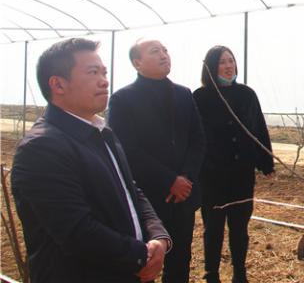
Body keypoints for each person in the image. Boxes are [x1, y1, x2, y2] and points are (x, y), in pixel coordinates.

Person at [11, 38, 170, 283]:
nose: (104, 80)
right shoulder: (41, 148)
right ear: (58, 84)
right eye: (93, 72)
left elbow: (131, 191)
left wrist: (158, 237)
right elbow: (76, 231)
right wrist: (140, 256)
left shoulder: (102, 132)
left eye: (104, 72)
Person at [108, 39, 205, 283]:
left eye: (165, 50)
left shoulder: (183, 94)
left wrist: (186, 178)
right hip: (147, 198)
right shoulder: (123, 99)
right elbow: (127, 150)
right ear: (137, 62)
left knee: (180, 262)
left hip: (183, 197)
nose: (164, 55)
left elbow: (198, 140)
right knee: (145, 263)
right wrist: (169, 180)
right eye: (155, 51)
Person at [193, 45, 274, 283]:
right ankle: (211, 274)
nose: (228, 66)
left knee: (240, 226)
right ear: (211, 67)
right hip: (213, 175)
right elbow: (195, 136)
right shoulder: (200, 97)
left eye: (231, 61)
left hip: (242, 173)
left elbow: (259, 127)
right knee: (213, 227)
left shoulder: (247, 94)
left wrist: (265, 160)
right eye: (222, 62)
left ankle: (239, 272)